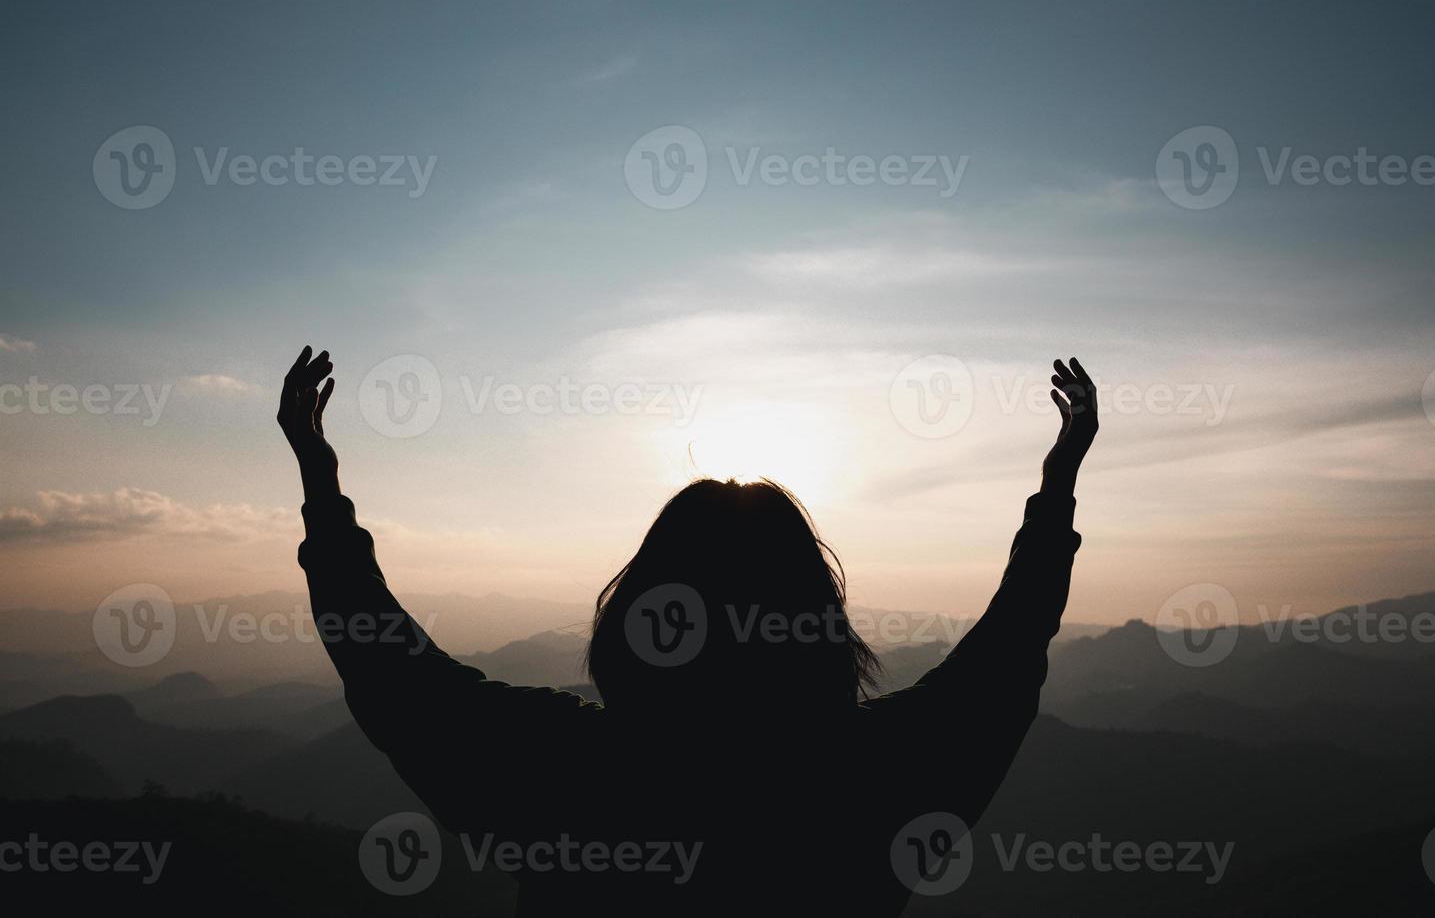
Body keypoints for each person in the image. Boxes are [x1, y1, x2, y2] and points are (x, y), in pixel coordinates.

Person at [278, 347, 1098, 916]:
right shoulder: (884, 775)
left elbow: (394, 675)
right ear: (817, 623)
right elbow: (1007, 655)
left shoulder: (567, 773)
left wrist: (321, 483)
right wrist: (1057, 486)